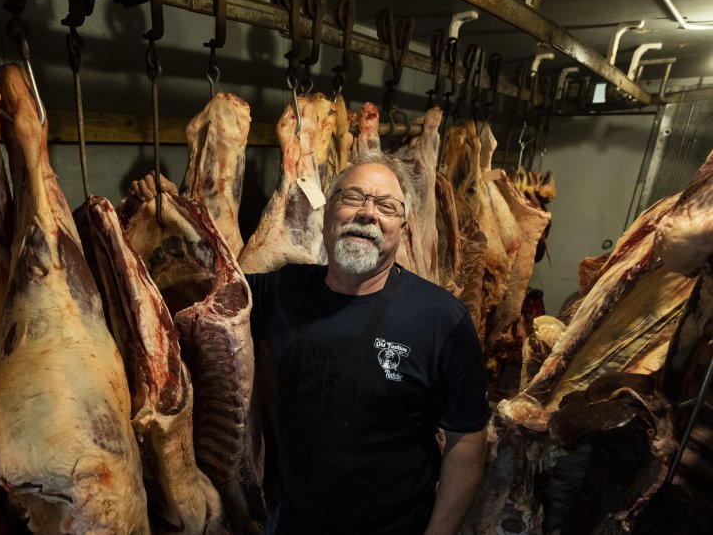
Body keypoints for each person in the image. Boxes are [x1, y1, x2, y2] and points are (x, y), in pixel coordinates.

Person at [130, 152, 490, 534]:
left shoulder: (440, 318)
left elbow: (466, 438)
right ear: (327, 214)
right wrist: (167, 213)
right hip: (291, 522)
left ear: (402, 227)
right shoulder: (284, 289)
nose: (367, 213)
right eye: (352, 198)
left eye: (386, 206)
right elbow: (199, 292)